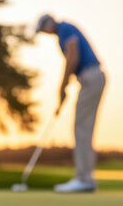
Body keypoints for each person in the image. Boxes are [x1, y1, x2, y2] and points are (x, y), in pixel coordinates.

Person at [36, 14, 107, 193]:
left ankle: (83, 178)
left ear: (48, 24)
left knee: (81, 127)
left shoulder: (64, 28)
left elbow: (72, 56)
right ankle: (86, 178)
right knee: (85, 127)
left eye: (42, 29)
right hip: (92, 77)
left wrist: (63, 86)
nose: (44, 33)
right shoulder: (65, 29)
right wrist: (65, 86)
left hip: (90, 76)